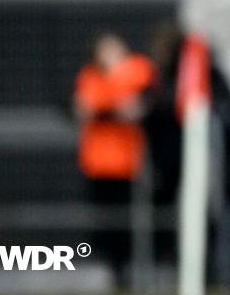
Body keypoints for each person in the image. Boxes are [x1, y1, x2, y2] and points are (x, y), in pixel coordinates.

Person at [74, 32, 156, 285]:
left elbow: (139, 101)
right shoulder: (90, 76)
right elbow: (86, 106)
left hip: (127, 162)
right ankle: (111, 268)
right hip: (98, 163)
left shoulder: (137, 70)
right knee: (104, 219)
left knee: (128, 220)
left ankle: (128, 269)